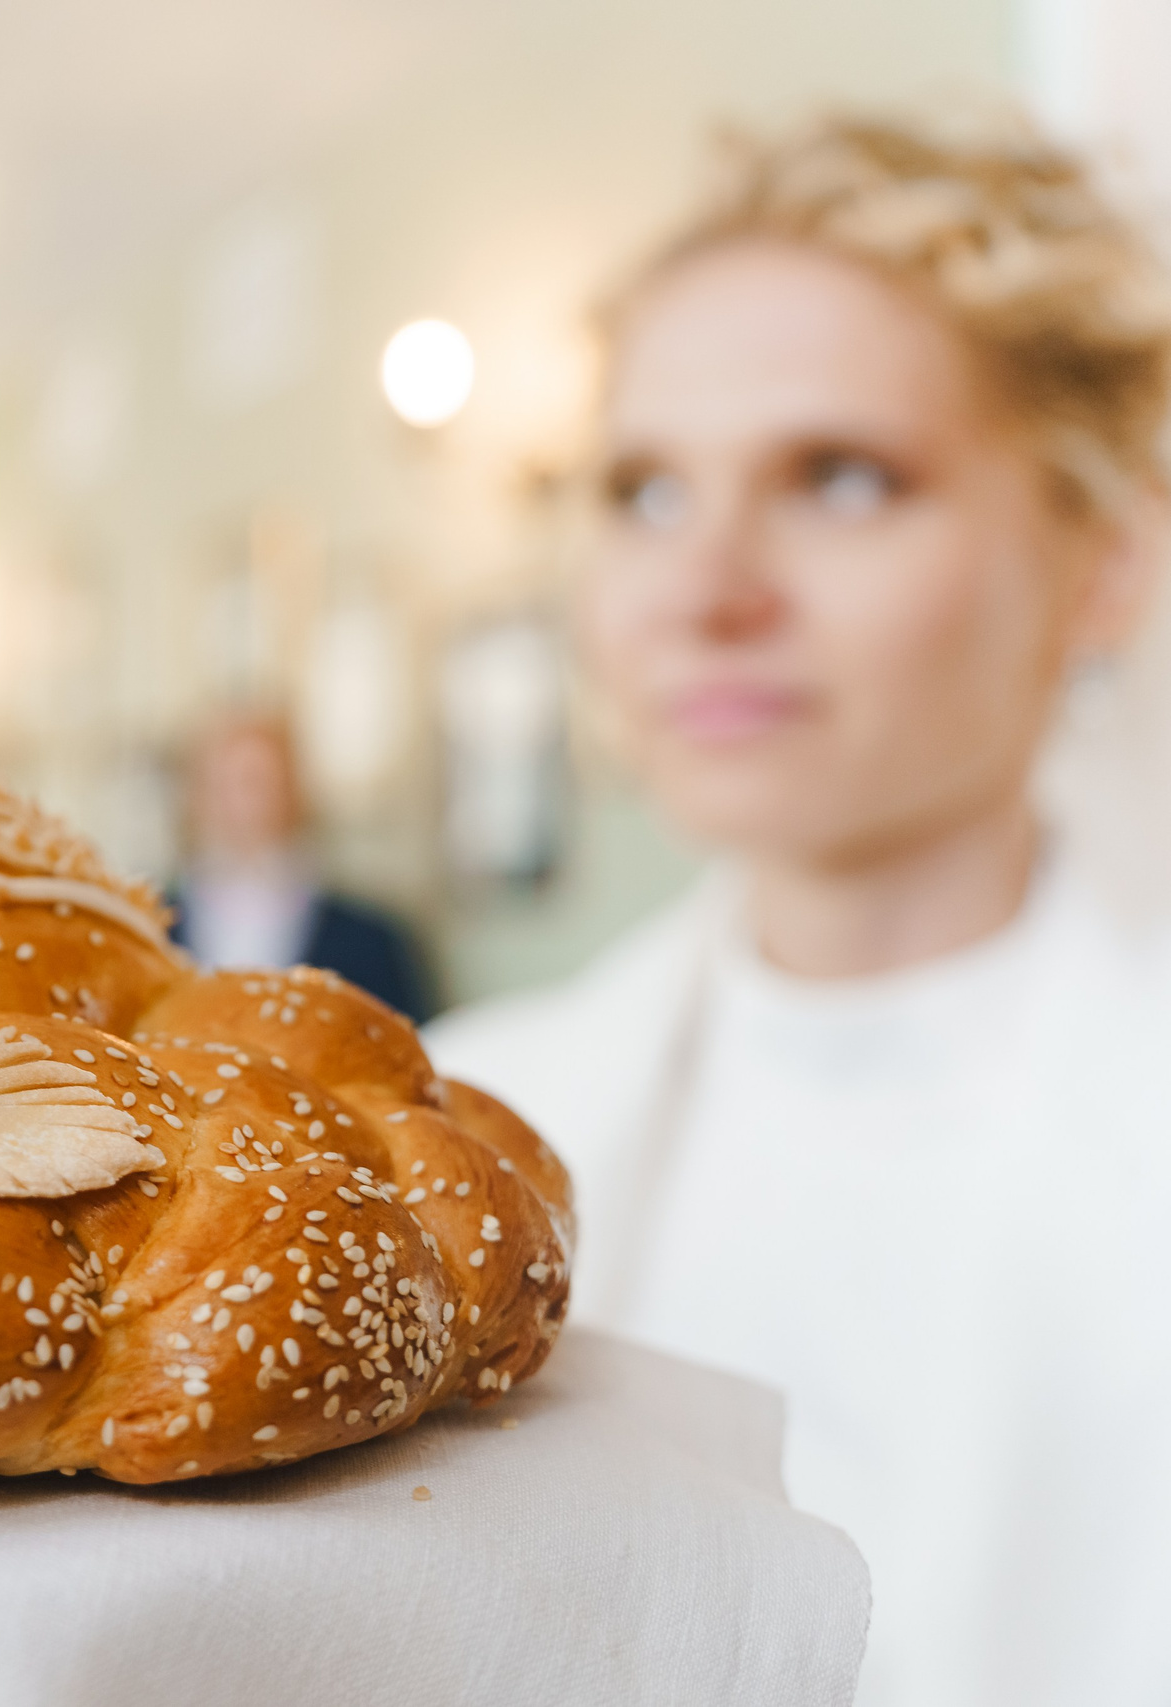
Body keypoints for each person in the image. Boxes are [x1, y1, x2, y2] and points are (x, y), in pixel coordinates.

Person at [425, 115, 1171, 1705]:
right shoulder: (467, 1110)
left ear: (1100, 563)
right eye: (643, 491)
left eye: (840, 477)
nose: (706, 591)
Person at [167, 711, 434, 1018]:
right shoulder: (150, 938)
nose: (240, 808)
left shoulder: (372, 942)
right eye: (220, 785)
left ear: (295, 791)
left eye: (255, 783)